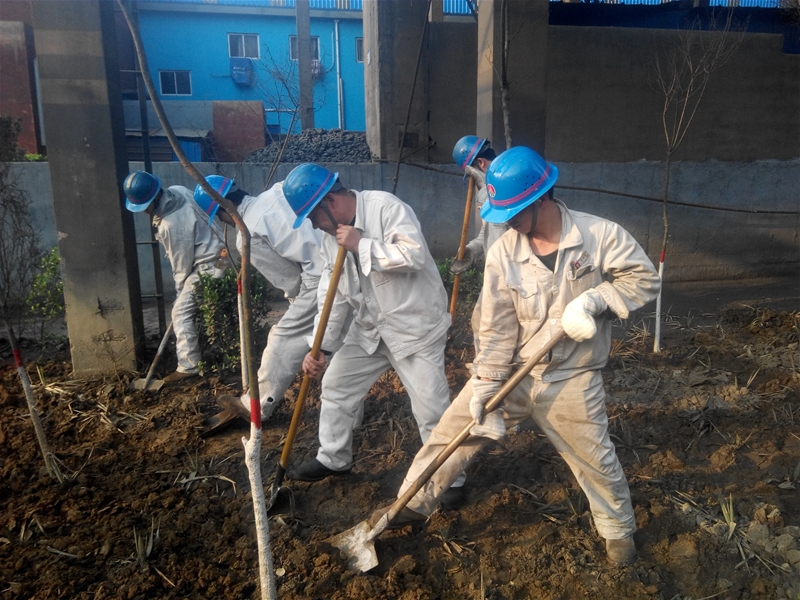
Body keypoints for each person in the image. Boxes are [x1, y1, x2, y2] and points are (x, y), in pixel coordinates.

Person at [368, 146, 661, 566]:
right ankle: (411, 504)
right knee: (451, 432)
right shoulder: (505, 251)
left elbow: (644, 279)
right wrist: (486, 383)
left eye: (515, 211)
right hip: (514, 373)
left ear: (542, 197)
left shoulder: (599, 235)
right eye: (502, 213)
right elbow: (496, 324)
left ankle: (618, 532)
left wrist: (596, 299)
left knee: (595, 460)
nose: (508, 221)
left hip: (571, 376)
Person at [281, 163, 465, 509]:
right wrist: (321, 347)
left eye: (312, 216)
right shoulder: (329, 240)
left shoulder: (385, 208)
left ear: (329, 202)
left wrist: (361, 244)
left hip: (415, 329)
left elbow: (414, 255)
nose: (313, 225)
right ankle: (334, 458)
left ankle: (450, 478)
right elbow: (333, 295)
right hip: (370, 330)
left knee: (431, 407)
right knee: (336, 385)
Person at [192, 175, 324, 420]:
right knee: (338, 339)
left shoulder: (247, 235)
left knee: (283, 336)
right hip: (340, 258)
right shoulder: (276, 192)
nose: (224, 221)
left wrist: (296, 306)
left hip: (320, 277)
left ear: (224, 206)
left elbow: (290, 280)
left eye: (219, 216)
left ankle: (257, 405)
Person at [123, 171, 226, 383]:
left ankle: (188, 367)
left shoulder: (171, 225)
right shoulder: (178, 191)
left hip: (208, 266)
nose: (144, 211)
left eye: (145, 206)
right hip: (219, 253)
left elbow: (181, 266)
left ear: (155, 198)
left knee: (180, 312)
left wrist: (180, 293)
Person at [449, 135, 507, 276]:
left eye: (471, 177)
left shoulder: (508, 186)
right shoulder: (492, 193)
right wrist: (471, 250)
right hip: (500, 273)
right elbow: (490, 230)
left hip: (516, 274)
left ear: (480, 163)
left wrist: (485, 189)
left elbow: (503, 222)